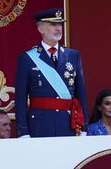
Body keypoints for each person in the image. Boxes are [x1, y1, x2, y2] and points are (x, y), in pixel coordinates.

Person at [15, 8, 88, 137]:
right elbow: (20, 98)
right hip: (39, 125)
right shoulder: (27, 58)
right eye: (53, 24)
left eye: (60, 24)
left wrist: (83, 127)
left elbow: (81, 94)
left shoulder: (73, 55)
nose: (58, 28)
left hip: (68, 124)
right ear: (40, 29)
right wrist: (23, 132)